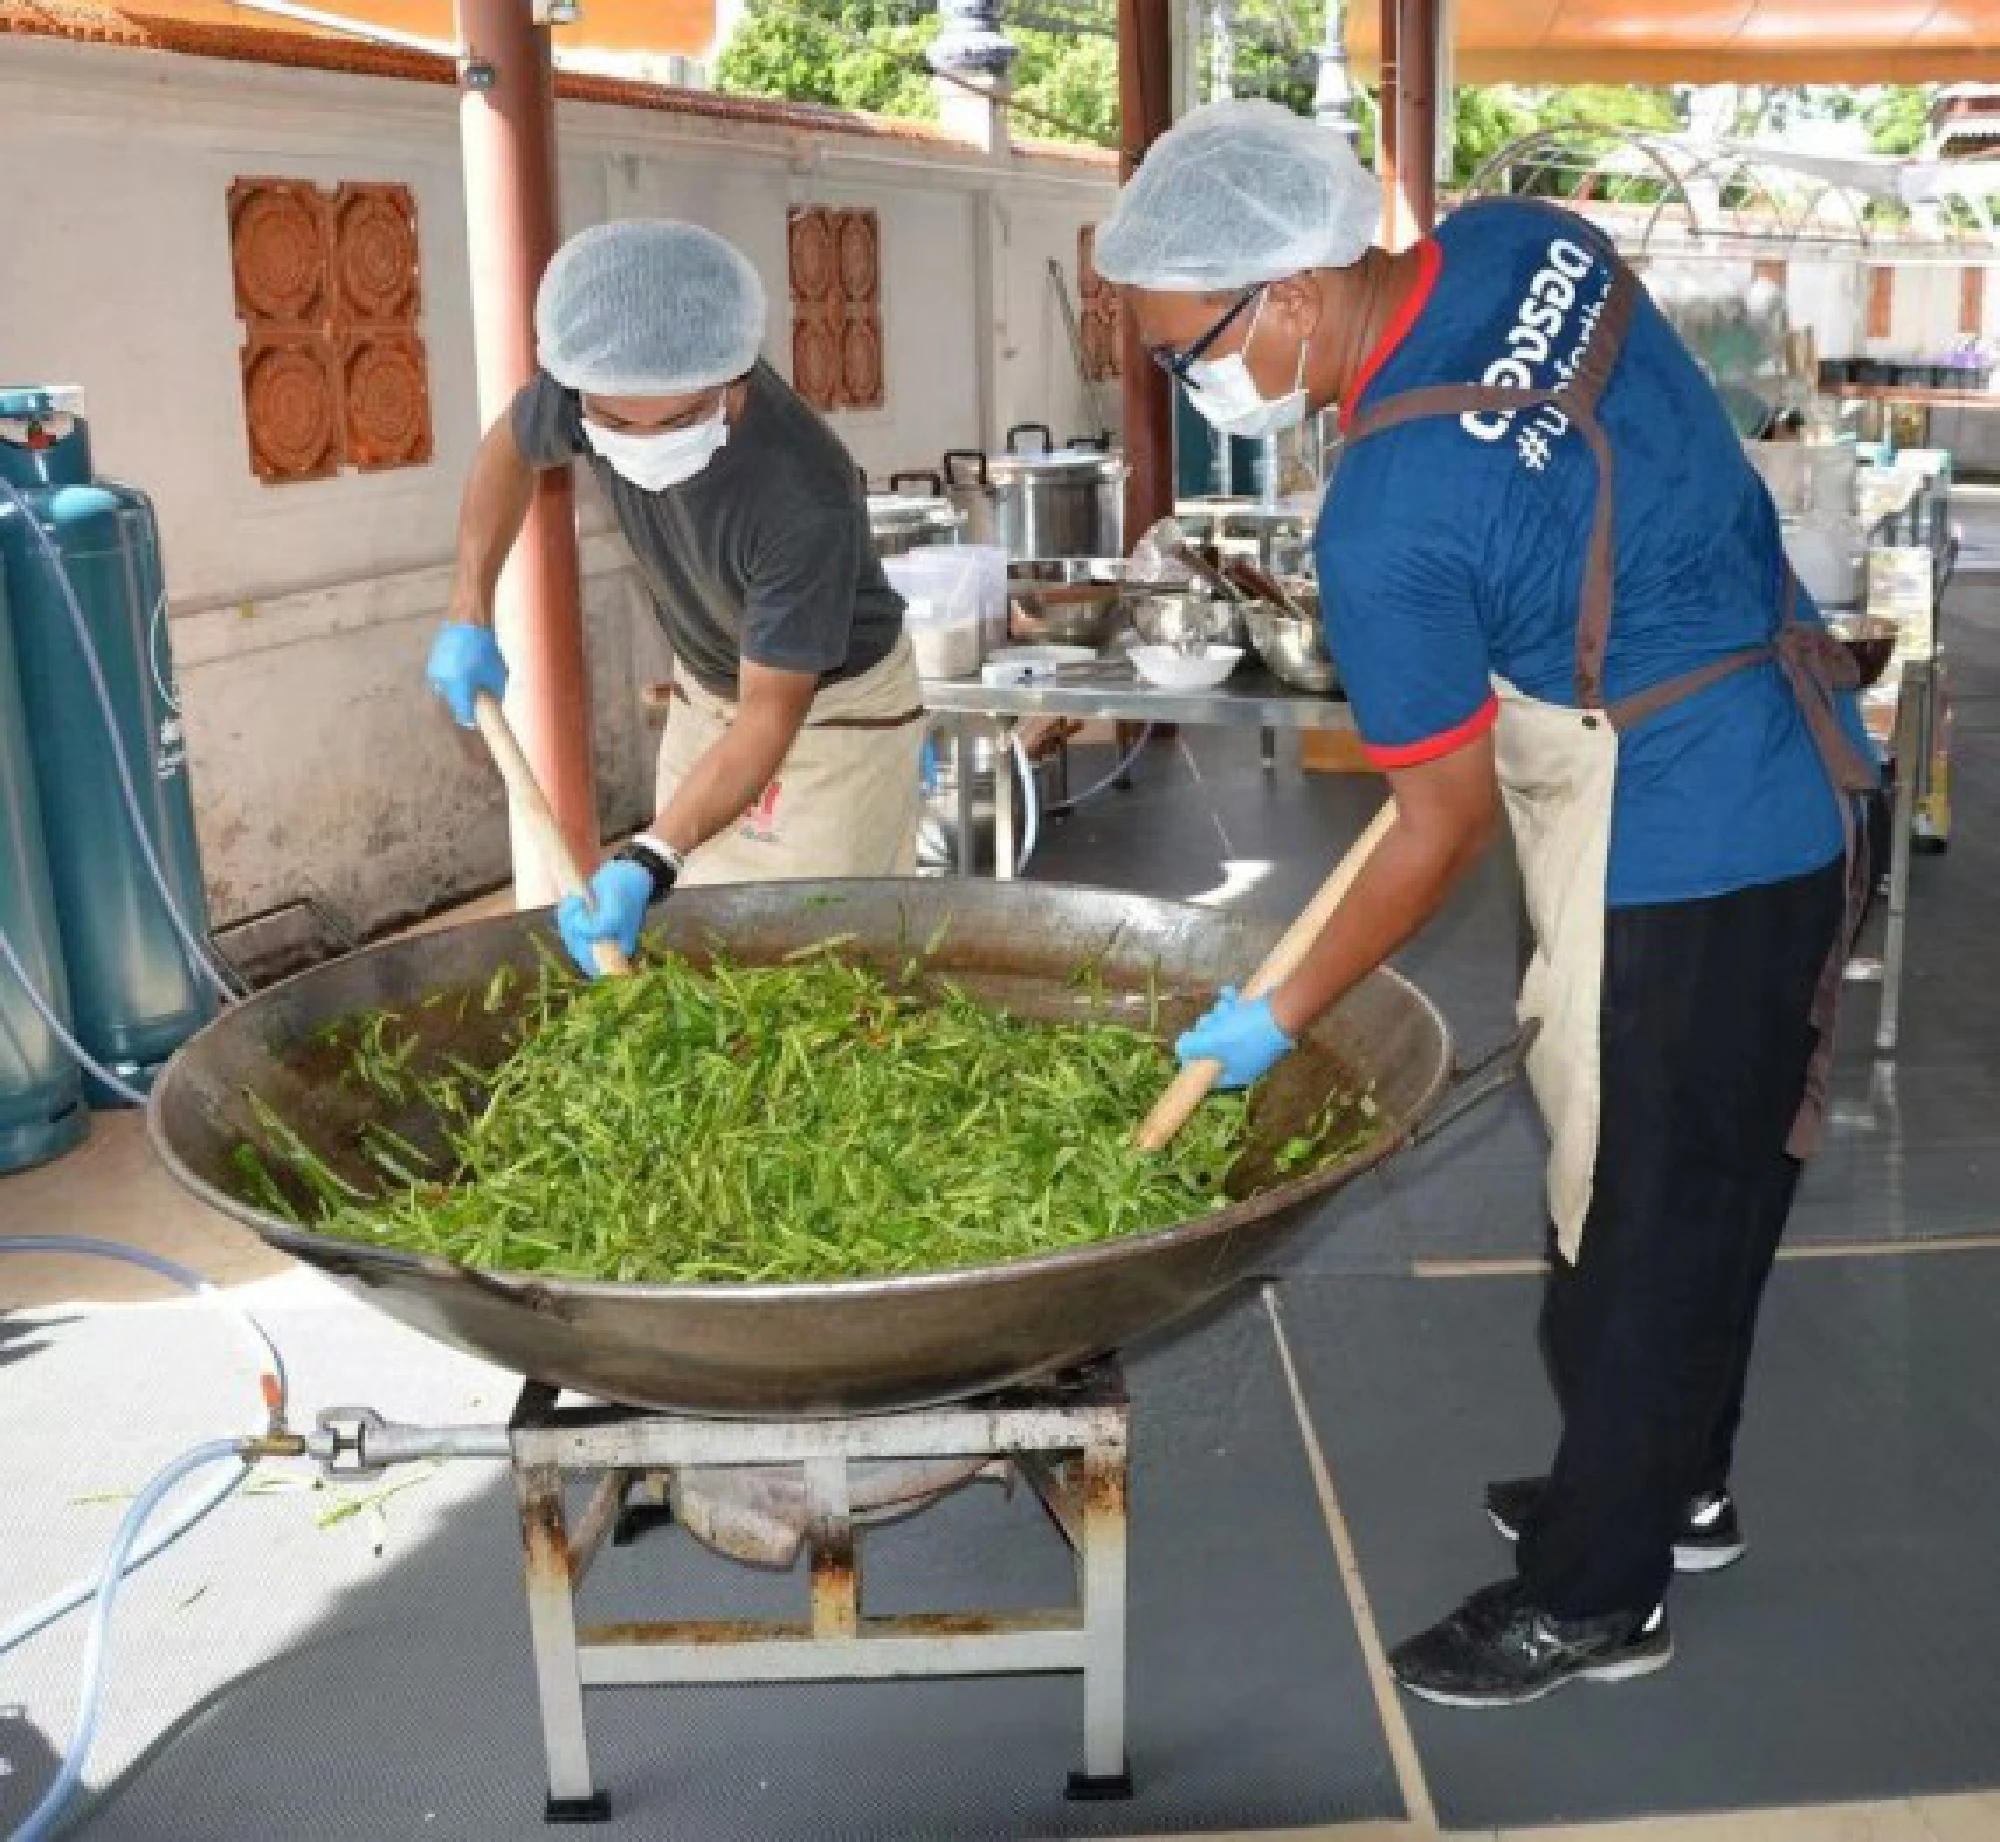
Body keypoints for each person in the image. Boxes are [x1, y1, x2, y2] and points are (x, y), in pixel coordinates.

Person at [1094, 100, 1877, 1708]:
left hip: (1677, 838)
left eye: (1192, 352)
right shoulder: (1537, 244)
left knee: (1638, 1217)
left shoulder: (1386, 517)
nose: (1196, 388)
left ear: (1294, 296)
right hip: (1807, 765)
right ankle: (1677, 1485)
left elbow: (1434, 820)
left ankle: (1598, 1592)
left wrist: (1278, 1012)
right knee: (1725, 1172)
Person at [424, 220, 923, 974]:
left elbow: (768, 716)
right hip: (709, 689)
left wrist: (650, 854)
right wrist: (469, 607)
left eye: (682, 419)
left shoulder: (802, 492)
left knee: (818, 963)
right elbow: (509, 451)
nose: (645, 442)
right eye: (616, 424)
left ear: (733, 376)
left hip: (828, 715)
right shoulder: (595, 383)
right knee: (691, 949)